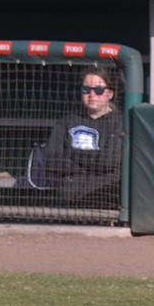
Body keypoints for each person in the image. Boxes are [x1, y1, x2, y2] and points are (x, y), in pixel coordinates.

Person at [34, 66, 123, 208]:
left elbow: (109, 162)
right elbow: (52, 159)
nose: (92, 95)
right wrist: (91, 162)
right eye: (86, 90)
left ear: (110, 94)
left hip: (105, 197)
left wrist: (74, 159)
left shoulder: (120, 122)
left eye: (98, 90)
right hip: (68, 194)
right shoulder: (67, 121)